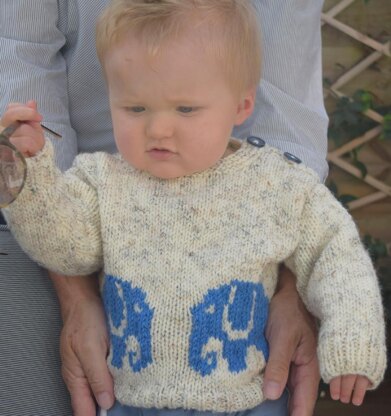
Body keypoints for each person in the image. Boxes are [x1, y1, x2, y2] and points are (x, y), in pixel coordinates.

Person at [1, 1, 387, 415]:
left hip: (248, 401)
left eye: (185, 109)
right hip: (128, 401)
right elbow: (64, 247)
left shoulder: (277, 182)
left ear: (242, 106)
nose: (158, 129)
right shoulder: (101, 181)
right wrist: (31, 176)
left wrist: (352, 342)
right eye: (135, 108)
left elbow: (337, 253)